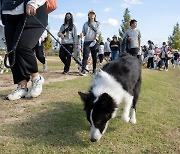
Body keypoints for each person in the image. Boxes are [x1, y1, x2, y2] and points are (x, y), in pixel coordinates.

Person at [1, 0, 48, 100]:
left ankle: (36, 78)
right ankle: (22, 86)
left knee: (22, 46)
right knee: (12, 51)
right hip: (9, 15)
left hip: (32, 14)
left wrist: (33, 3)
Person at [80, 10, 101, 76]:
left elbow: (98, 32)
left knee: (94, 56)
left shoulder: (97, 23)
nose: (92, 15)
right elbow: (84, 32)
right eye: (90, 14)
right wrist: (82, 35)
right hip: (87, 41)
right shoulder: (85, 24)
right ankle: (83, 70)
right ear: (88, 15)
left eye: (93, 14)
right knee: (85, 56)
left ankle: (94, 70)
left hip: (94, 41)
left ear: (95, 15)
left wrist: (96, 38)